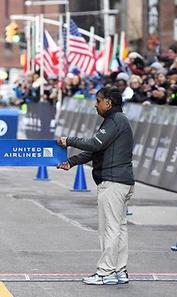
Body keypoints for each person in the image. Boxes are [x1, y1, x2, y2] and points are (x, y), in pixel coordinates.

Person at [57, 86, 135, 285]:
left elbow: (94, 144)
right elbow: (96, 152)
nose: (95, 105)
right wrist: (72, 162)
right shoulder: (116, 122)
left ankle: (105, 272)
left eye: (98, 101)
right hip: (121, 182)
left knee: (109, 229)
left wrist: (69, 141)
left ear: (108, 103)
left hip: (113, 184)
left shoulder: (115, 121)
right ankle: (119, 270)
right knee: (119, 228)